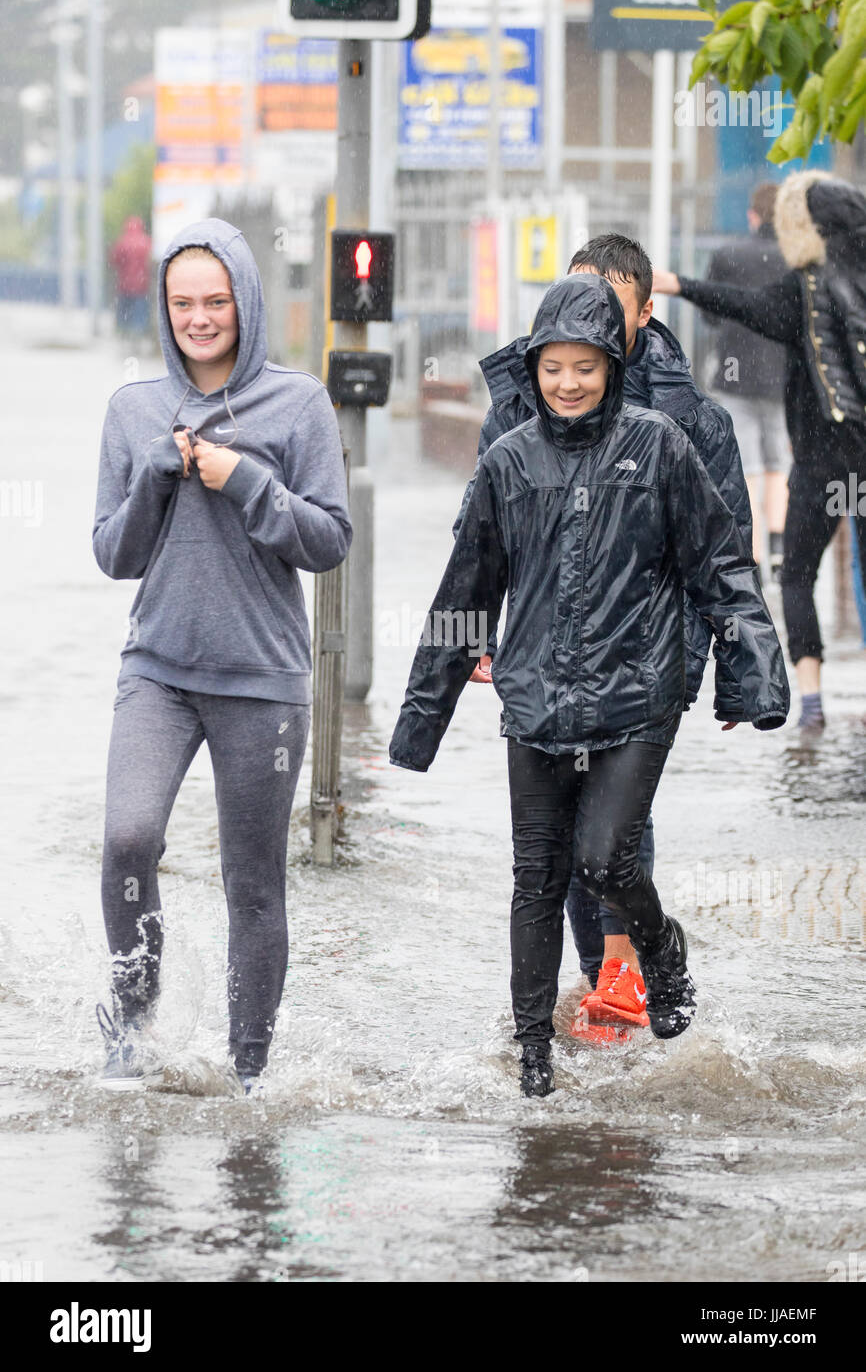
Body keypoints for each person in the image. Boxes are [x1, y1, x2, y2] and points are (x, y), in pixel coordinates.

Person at [389, 274, 789, 1098]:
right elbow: (464, 594)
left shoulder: (660, 446)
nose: (568, 383)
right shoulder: (508, 461)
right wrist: (420, 720)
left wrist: (752, 669)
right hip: (534, 699)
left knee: (606, 858)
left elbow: (718, 563)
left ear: (612, 363)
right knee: (535, 877)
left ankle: (661, 948)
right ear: (534, 368)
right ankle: (534, 1065)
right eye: (552, 368)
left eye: (585, 366)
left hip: (637, 694)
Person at [454, 234, 755, 1028]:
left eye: (607, 310)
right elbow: (479, 539)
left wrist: (726, 664)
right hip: (550, 660)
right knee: (555, 842)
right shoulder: (523, 402)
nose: (582, 331)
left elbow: (723, 555)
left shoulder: (689, 421)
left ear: (644, 313)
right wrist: (477, 637)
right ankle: (601, 978)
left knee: (614, 829)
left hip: (652, 660)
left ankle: (622, 966)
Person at [92, 218, 352, 1092]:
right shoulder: (132, 409)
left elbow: (328, 541)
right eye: (183, 304)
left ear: (244, 300)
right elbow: (113, 556)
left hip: (263, 682)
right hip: (157, 670)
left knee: (254, 884)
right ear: (162, 309)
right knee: (129, 839)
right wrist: (153, 484)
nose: (200, 318)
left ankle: (249, 1076)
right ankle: (131, 1033)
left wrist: (246, 481)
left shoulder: (300, 403)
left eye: (217, 301)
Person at [654, 170, 866, 730]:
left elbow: (742, 305)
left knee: (796, 573)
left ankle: (813, 700)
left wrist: (677, 283)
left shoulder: (806, 288)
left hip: (823, 456)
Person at [702, 182, 790, 579]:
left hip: (736, 377)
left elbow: (710, 315)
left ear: (753, 216)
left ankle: (751, 554)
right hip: (783, 381)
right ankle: (778, 545)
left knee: (749, 467)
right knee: (779, 463)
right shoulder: (796, 260)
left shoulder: (727, 255)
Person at [109, 215, 152, 348]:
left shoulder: (122, 242)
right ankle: (137, 334)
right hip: (142, 285)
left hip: (124, 285)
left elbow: (113, 260)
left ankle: (124, 334)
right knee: (140, 310)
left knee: (125, 310)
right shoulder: (147, 242)